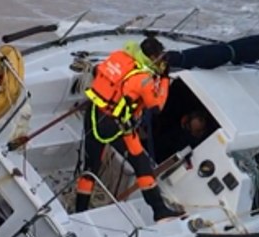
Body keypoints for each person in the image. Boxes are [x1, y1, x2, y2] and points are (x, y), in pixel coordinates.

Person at [75, 36, 182, 221]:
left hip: (93, 114)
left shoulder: (118, 56)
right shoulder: (143, 80)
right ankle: (159, 211)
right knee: (142, 165)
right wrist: (164, 79)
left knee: (91, 166)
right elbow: (157, 107)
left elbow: (99, 71)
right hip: (116, 125)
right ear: (152, 57)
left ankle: (80, 211)